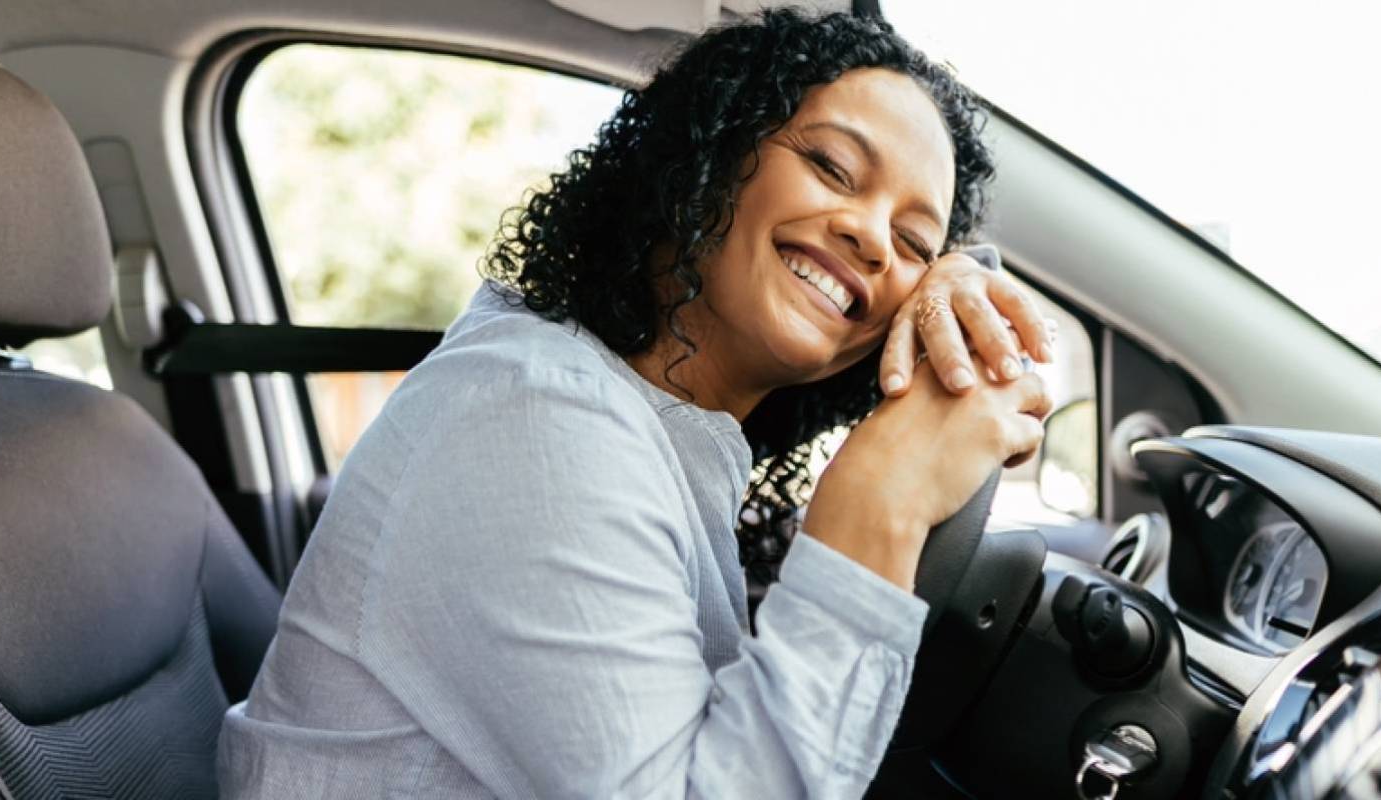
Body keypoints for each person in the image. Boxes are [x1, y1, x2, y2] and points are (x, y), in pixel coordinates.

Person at [217, 10, 1054, 799]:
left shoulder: (643, 422)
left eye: (912, 243)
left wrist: (958, 282)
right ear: (703, 156)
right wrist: (884, 501)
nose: (874, 240)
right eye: (832, 167)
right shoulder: (537, 418)